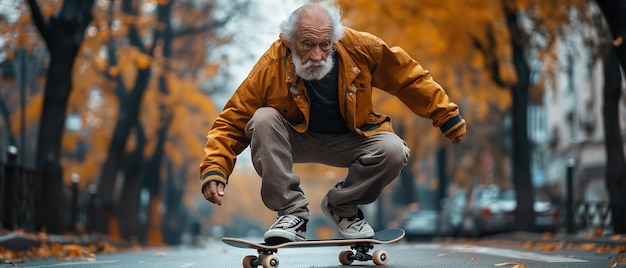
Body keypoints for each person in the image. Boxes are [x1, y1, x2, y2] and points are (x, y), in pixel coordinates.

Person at [200, 2, 466, 244]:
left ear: (335, 40)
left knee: (394, 149)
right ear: (289, 40)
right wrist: (215, 169)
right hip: (295, 138)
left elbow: (407, 77)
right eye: (307, 44)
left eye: (325, 45)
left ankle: (343, 206)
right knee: (262, 118)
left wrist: (444, 113)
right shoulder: (270, 66)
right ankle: (292, 213)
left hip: (350, 138)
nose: (317, 55)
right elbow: (233, 120)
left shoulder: (361, 48)